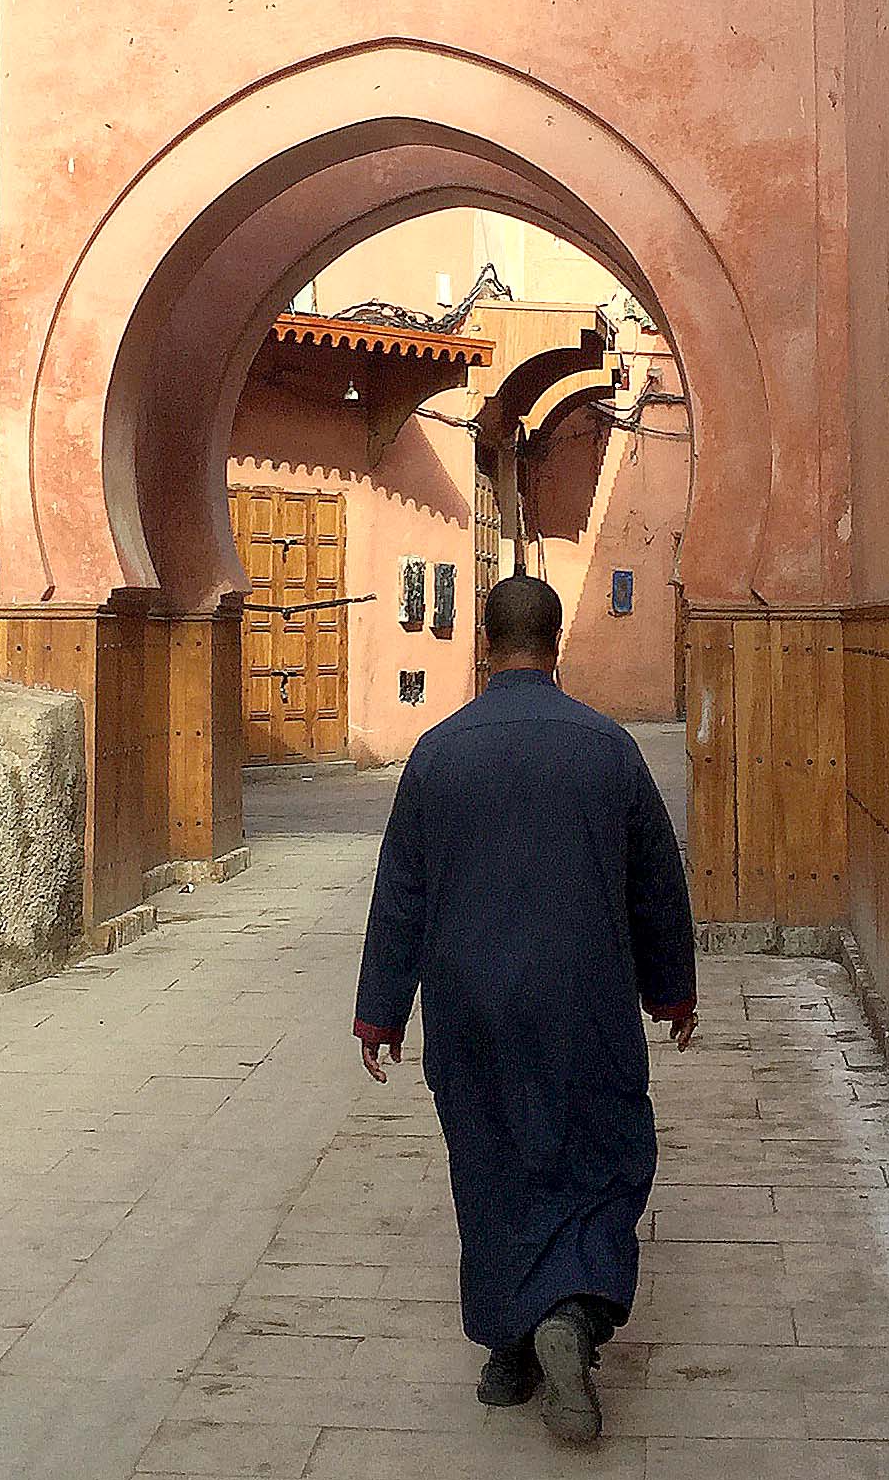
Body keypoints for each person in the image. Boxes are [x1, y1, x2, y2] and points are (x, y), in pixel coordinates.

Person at [352, 573, 698, 1445]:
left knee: (491, 1158)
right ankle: (570, 1318)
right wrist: (671, 990)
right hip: (583, 995)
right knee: (597, 1150)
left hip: (468, 1000)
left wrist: (381, 1012)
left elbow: (401, 893)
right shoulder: (608, 748)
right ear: (556, 647)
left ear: (484, 645)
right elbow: (657, 881)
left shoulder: (437, 753)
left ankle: (510, 1350)